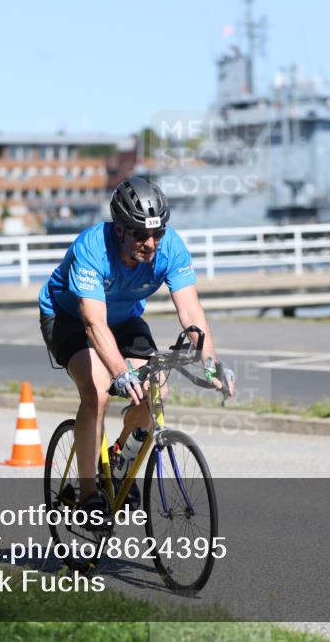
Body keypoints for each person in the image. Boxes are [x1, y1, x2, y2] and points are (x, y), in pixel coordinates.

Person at [39, 177, 235, 522]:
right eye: (141, 235)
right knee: (97, 391)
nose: (151, 243)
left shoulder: (171, 247)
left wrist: (210, 365)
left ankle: (119, 458)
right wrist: (120, 372)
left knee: (157, 391)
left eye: (157, 234)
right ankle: (88, 494)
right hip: (70, 318)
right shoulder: (92, 248)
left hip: (125, 318)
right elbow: (93, 324)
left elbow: (191, 313)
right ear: (119, 230)